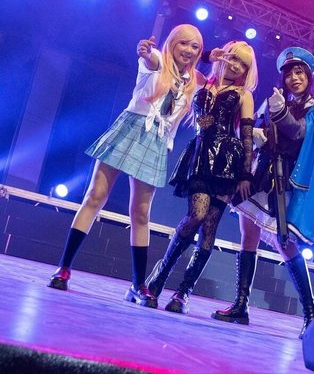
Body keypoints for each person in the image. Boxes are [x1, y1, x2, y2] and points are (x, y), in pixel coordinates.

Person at [47, 24, 205, 308]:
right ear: (172, 43)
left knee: (141, 213)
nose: (188, 50)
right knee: (95, 196)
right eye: (183, 43)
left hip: (155, 141)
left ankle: (137, 284)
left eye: (195, 47)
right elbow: (150, 58)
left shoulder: (192, 82)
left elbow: (211, 83)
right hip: (131, 128)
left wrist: (216, 61)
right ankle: (64, 268)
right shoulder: (157, 61)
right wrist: (144, 51)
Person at [212, 46, 314, 339]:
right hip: (262, 172)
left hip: (285, 180)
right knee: (248, 234)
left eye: (299, 72)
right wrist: (257, 136)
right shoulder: (275, 100)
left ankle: (311, 315)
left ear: (309, 77)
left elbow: (298, 133)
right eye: (289, 74)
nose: (294, 78)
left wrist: (279, 114)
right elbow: (256, 130)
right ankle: (241, 304)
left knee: (285, 243)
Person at [145, 40, 258, 314]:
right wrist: (209, 56)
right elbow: (182, 64)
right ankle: (159, 276)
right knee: (196, 215)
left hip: (227, 163)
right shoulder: (201, 81)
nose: (236, 66)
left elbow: (246, 137)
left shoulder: (243, 95)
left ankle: (183, 292)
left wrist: (245, 174)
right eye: (233, 58)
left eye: (242, 64)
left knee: (209, 229)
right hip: (200, 155)